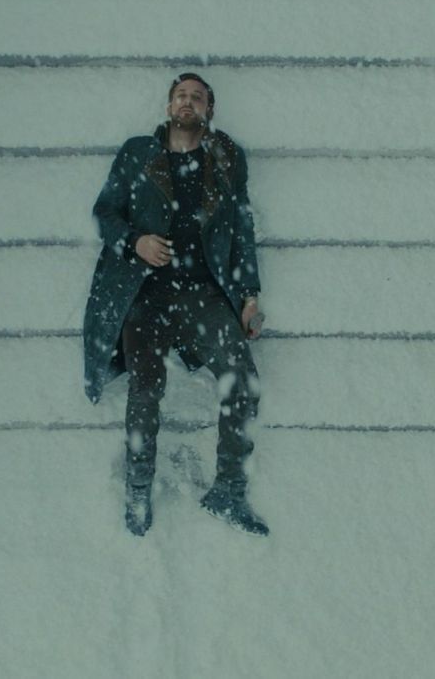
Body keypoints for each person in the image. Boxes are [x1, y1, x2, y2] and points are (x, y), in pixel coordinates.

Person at [83, 73, 268, 537]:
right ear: (168, 106)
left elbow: (242, 230)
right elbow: (105, 214)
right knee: (146, 388)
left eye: (198, 97)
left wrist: (248, 297)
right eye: (181, 96)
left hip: (205, 294)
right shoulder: (137, 154)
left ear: (209, 109)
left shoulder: (226, 158)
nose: (188, 102)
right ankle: (138, 488)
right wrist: (136, 242)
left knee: (242, 382)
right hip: (146, 293)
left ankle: (228, 492)